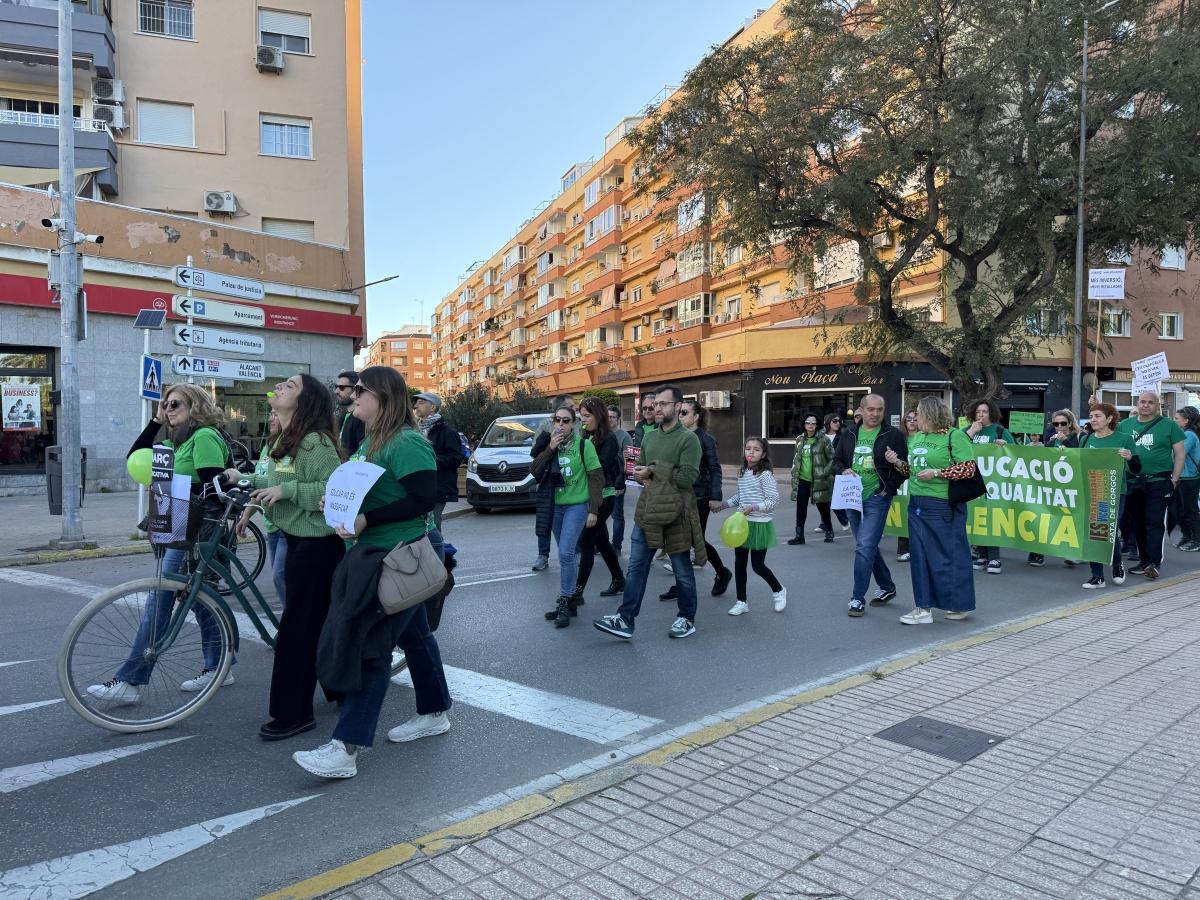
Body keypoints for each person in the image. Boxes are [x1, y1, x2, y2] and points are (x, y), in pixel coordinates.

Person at [293, 366, 452, 779]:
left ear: (383, 396)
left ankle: (345, 748)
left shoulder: (406, 441)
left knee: (371, 648)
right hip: (377, 555)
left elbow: (424, 499)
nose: (352, 395)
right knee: (416, 636)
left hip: (395, 558)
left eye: (361, 389)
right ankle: (435, 711)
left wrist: (366, 518)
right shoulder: (370, 439)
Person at [87, 384, 233, 703]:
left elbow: (215, 490)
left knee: (162, 598)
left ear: (194, 406)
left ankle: (131, 680)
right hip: (180, 523)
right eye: (165, 404)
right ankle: (220, 663)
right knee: (197, 598)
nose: (168, 409)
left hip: (197, 530)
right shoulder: (176, 441)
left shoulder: (204, 437)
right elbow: (135, 456)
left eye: (175, 404)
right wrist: (155, 421)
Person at [228, 374, 344, 741]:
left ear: (305, 401)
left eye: (289, 386)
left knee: (297, 633)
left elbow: (335, 490)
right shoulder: (282, 439)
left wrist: (288, 490)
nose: (279, 388)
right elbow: (267, 481)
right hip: (296, 541)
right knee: (313, 627)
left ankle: (294, 714)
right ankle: (338, 687)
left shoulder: (316, 443)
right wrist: (250, 503)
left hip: (318, 547)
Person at [593, 385, 706, 641]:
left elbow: (689, 478)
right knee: (636, 566)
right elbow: (641, 471)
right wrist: (640, 475)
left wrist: (653, 472)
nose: (657, 408)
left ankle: (687, 618)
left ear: (678, 407)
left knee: (681, 569)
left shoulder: (688, 440)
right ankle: (625, 619)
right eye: (656, 404)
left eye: (663, 404)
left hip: (676, 512)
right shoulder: (649, 437)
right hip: (649, 510)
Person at [885, 396, 977, 624]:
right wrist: (897, 462)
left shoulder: (955, 436)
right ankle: (923, 608)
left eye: (919, 413)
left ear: (932, 414)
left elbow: (968, 469)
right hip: (917, 503)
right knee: (919, 557)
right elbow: (912, 471)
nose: (915, 417)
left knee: (949, 556)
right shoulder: (917, 438)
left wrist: (938, 473)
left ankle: (958, 604)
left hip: (942, 504)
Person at [834, 394, 908, 618]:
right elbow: (837, 461)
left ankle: (857, 598)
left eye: (880, 409)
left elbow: (905, 469)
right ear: (862, 411)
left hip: (877, 496)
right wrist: (843, 470)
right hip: (852, 497)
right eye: (871, 409)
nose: (875, 414)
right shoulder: (849, 434)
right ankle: (887, 586)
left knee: (864, 546)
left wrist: (888, 488)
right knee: (867, 545)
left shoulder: (893, 435)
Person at [533, 404, 602, 627]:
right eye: (558, 420)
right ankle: (570, 599)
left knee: (565, 552)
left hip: (577, 505)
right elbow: (534, 471)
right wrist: (550, 448)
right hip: (555, 507)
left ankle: (564, 599)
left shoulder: (584, 445)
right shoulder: (549, 443)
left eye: (566, 421)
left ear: (574, 424)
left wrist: (593, 509)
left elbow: (596, 478)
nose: (561, 425)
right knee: (566, 556)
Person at [661, 400, 732, 601]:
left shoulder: (705, 439)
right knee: (679, 538)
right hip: (678, 495)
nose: (680, 416)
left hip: (699, 496)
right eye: (679, 412)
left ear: (696, 416)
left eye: (684, 413)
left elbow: (715, 469)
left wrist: (716, 496)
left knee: (694, 539)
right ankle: (681, 583)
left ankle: (722, 572)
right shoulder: (677, 437)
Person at [1119, 390, 1186, 579]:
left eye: (1150, 402)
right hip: (1134, 482)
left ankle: (1154, 563)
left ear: (1157, 405)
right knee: (1137, 524)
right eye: (1142, 402)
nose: (1145, 405)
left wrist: (1174, 479)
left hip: (1159, 481)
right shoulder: (1125, 425)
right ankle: (1144, 560)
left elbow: (1180, 454)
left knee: (1154, 523)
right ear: (1137, 404)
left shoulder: (1169, 426)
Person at [715, 437, 786, 615]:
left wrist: (754, 507)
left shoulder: (765, 475)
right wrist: (723, 505)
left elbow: (773, 500)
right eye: (748, 448)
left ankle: (779, 590)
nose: (751, 452)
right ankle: (741, 601)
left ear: (763, 454)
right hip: (742, 524)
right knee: (739, 564)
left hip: (759, 524)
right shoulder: (743, 472)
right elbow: (740, 497)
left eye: (756, 449)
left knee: (757, 565)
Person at [571, 398, 625, 603]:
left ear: (598, 416)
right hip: (588, 495)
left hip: (604, 495)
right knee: (601, 542)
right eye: (581, 416)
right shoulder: (585, 436)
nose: (583, 421)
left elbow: (599, 469)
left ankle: (577, 592)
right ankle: (619, 579)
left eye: (587, 416)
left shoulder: (608, 439)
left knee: (586, 541)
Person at [1078, 403, 1138, 588]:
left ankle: (1117, 563)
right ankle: (1097, 576)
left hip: (1114, 492)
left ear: (1110, 419)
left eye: (1097, 416)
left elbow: (1136, 469)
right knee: (1093, 532)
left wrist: (1130, 458)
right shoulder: (1085, 440)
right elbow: (1077, 463)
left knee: (1108, 531)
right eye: (1091, 415)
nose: (1093, 419)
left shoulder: (1125, 439)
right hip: (1091, 491)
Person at [236, 410, 286, 607]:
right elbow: (260, 486)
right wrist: (246, 516)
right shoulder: (268, 447)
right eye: (270, 414)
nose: (272, 418)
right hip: (271, 525)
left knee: (280, 575)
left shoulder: (291, 445)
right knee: (280, 578)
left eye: (277, 414)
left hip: (287, 524)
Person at [964, 399, 1014, 574]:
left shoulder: (1000, 431)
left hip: (994, 482)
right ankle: (981, 555)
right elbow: (957, 448)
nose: (980, 415)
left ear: (991, 413)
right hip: (972, 481)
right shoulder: (967, 431)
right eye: (978, 412)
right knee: (978, 517)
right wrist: (970, 433)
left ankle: (994, 557)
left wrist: (1005, 446)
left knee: (992, 517)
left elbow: (1017, 454)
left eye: (984, 412)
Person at [1027, 409, 1081, 568]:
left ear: (1070, 424)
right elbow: (1044, 459)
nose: (1059, 427)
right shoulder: (1052, 439)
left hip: (1072, 486)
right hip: (1052, 486)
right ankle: (1037, 552)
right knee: (1044, 516)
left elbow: (1082, 455)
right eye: (1056, 424)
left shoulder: (1079, 437)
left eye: (1063, 423)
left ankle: (1074, 553)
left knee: (1070, 519)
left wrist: (1066, 442)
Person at [530, 394, 574, 571]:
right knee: (544, 519)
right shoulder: (545, 426)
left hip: (570, 478)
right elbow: (535, 453)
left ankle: (573, 554)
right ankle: (543, 555)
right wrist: (550, 443)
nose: (574, 408)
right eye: (571, 406)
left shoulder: (576, 424)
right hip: (548, 479)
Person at [413, 391, 461, 530]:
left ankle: (437, 551)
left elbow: (455, 459)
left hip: (438, 488)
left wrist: (429, 460)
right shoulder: (414, 430)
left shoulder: (447, 432)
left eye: (421, 403)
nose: (416, 406)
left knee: (432, 526)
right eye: (416, 403)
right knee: (421, 527)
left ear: (432, 408)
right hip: (417, 487)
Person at [787, 413, 835, 545]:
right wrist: (794, 471)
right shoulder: (800, 439)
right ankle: (799, 536)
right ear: (804, 424)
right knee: (801, 507)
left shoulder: (824, 440)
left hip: (819, 479)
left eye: (813, 423)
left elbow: (832, 459)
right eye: (808, 422)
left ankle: (829, 530)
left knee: (822, 506)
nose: (810, 425)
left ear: (817, 425)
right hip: (803, 478)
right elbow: (797, 458)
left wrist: (824, 473)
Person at [1170, 406, 1200, 552]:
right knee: (1179, 510)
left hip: (1189, 478)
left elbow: (1178, 454)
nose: (1173, 420)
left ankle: (1197, 539)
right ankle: (1187, 536)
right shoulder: (1182, 433)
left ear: (1186, 421)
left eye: (1176, 419)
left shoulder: (1188, 435)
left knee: (1190, 510)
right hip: (1180, 477)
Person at [895, 409, 920, 561]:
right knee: (903, 513)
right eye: (908, 419)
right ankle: (903, 549)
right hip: (902, 480)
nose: (911, 421)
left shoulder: (924, 437)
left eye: (915, 418)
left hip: (919, 480)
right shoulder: (899, 439)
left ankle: (918, 548)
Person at [608, 405, 632, 558]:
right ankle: (600, 543)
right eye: (607, 416)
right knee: (599, 515)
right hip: (602, 481)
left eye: (612, 417)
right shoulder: (600, 433)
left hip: (617, 481)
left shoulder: (624, 436)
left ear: (618, 419)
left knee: (617, 515)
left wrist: (622, 483)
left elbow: (630, 462)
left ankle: (616, 546)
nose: (609, 419)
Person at [821, 413, 850, 533]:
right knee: (822, 499)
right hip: (822, 472)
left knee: (834, 499)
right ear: (828, 422)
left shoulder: (842, 436)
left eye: (839, 421)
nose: (837, 423)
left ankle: (845, 520)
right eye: (834, 421)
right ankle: (824, 524)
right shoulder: (821, 437)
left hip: (837, 472)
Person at [334, 370, 366, 457]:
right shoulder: (344, 416)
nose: (336, 391)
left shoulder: (362, 419)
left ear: (355, 389)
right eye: (336, 387)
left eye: (341, 387)